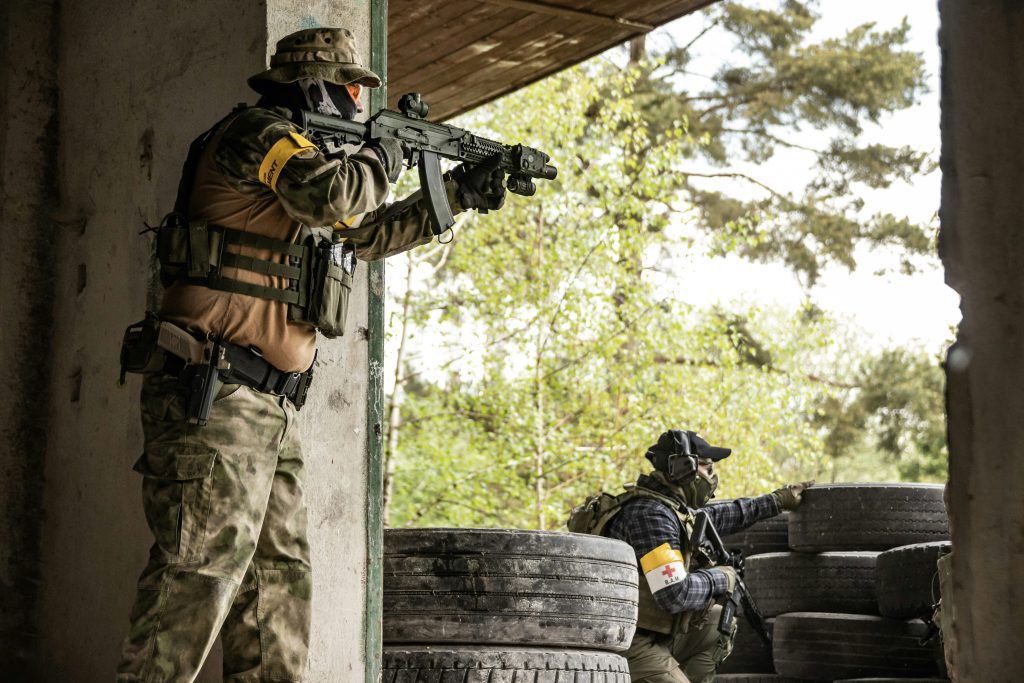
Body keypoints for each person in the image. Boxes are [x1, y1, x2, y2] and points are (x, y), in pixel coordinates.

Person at [116, 27, 505, 682]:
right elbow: (336, 196)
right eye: (350, 87)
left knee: (277, 589)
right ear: (313, 87)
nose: (357, 100)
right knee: (198, 574)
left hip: (271, 408)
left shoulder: (307, 173)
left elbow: (365, 233)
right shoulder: (259, 136)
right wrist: (384, 152)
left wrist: (458, 193)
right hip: (216, 394)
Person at [567, 429, 813, 683]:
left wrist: (776, 500)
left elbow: (720, 516)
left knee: (718, 623)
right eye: (708, 468)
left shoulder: (668, 509)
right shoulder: (651, 517)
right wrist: (721, 578)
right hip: (620, 638)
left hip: (647, 631)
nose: (712, 477)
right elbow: (674, 594)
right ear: (684, 468)